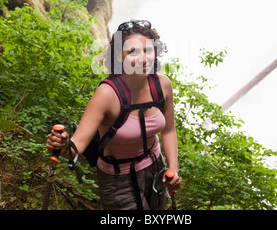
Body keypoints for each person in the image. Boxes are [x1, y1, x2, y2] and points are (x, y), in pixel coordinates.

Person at [46, 19, 180, 210]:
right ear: (119, 55)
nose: (143, 58)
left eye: (148, 50)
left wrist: (173, 170)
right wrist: (62, 145)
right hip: (118, 181)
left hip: (156, 170)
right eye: (133, 51)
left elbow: (168, 131)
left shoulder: (162, 85)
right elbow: (76, 147)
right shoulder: (108, 94)